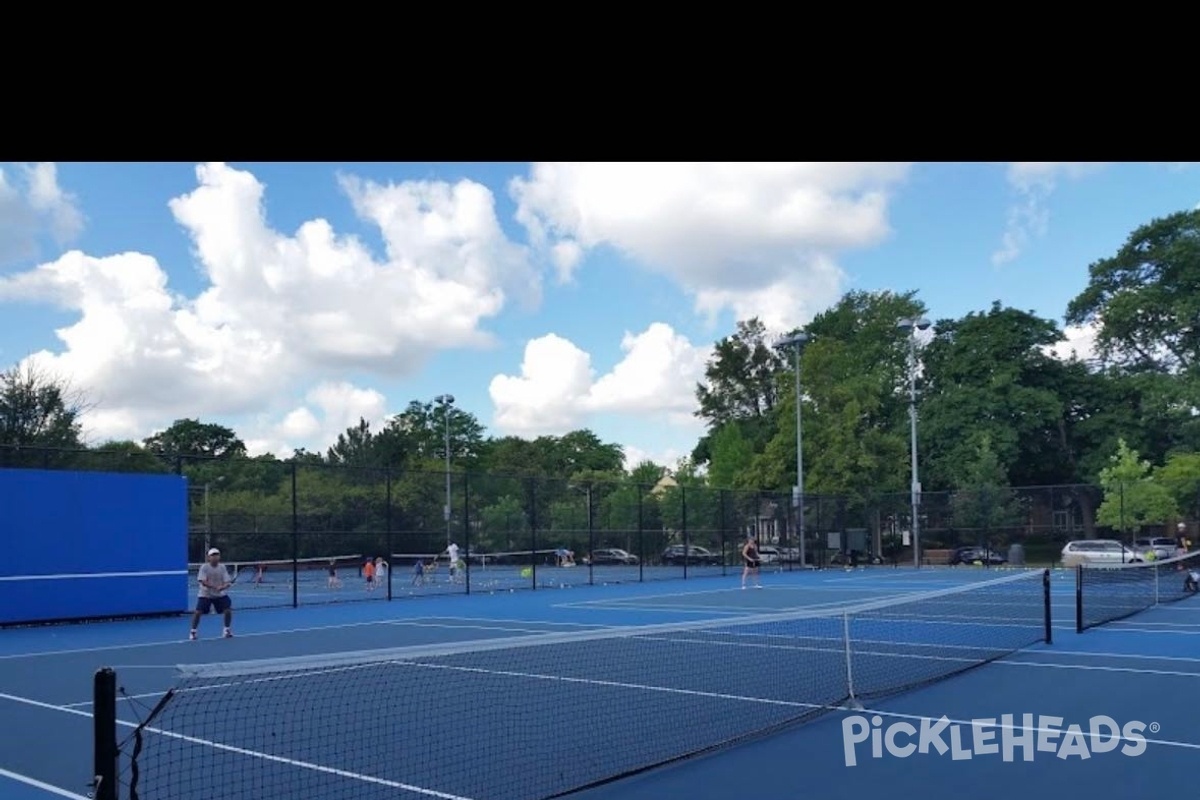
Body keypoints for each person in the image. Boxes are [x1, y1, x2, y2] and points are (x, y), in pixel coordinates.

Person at [190, 548, 233, 640]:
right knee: (198, 612)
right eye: (213, 555)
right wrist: (214, 587)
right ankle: (193, 631)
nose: (215, 557)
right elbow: (203, 581)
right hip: (205, 594)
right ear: (209, 557)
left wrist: (223, 587)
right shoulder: (204, 567)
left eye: (217, 555)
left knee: (228, 610)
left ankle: (226, 630)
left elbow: (227, 582)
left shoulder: (222, 567)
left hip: (220, 595)